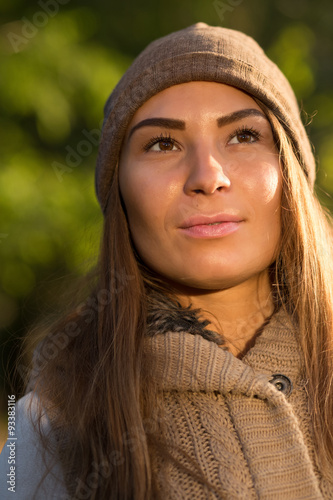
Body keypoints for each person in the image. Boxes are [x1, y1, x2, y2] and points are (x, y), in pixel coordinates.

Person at [1, 22, 333, 499]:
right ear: (121, 196)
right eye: (162, 144)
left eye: (242, 135)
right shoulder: (49, 425)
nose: (207, 176)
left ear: (290, 175)